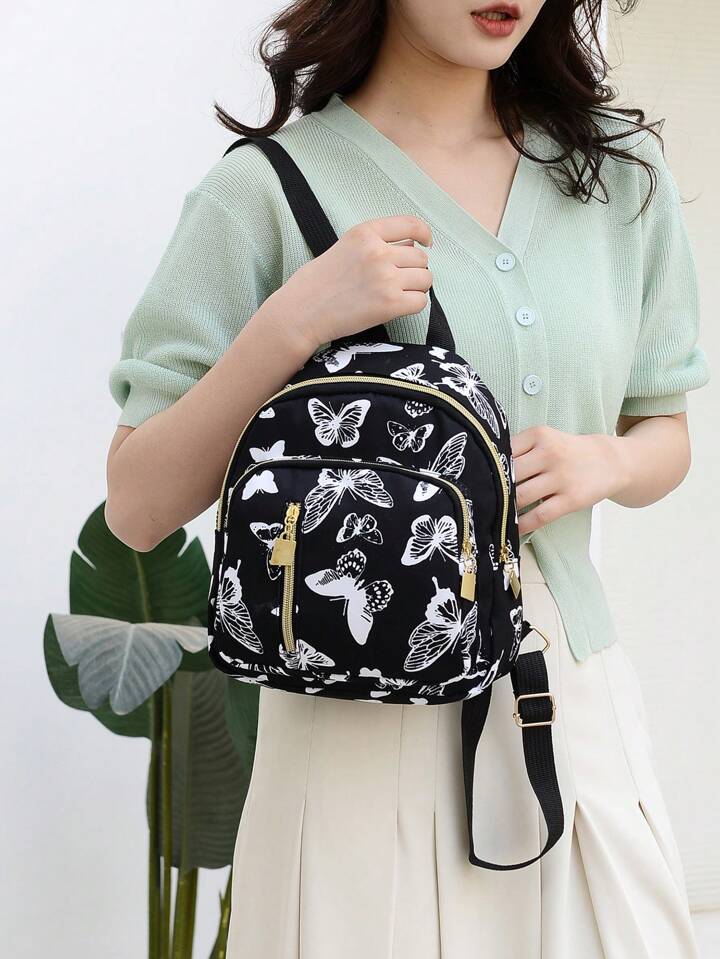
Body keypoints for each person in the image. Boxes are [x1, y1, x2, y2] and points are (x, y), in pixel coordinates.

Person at [105, 0, 710, 955]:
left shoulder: (617, 177)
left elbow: (664, 430)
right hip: (349, 743)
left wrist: (610, 460)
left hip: (566, 708)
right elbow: (137, 506)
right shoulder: (265, 191)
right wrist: (293, 322)